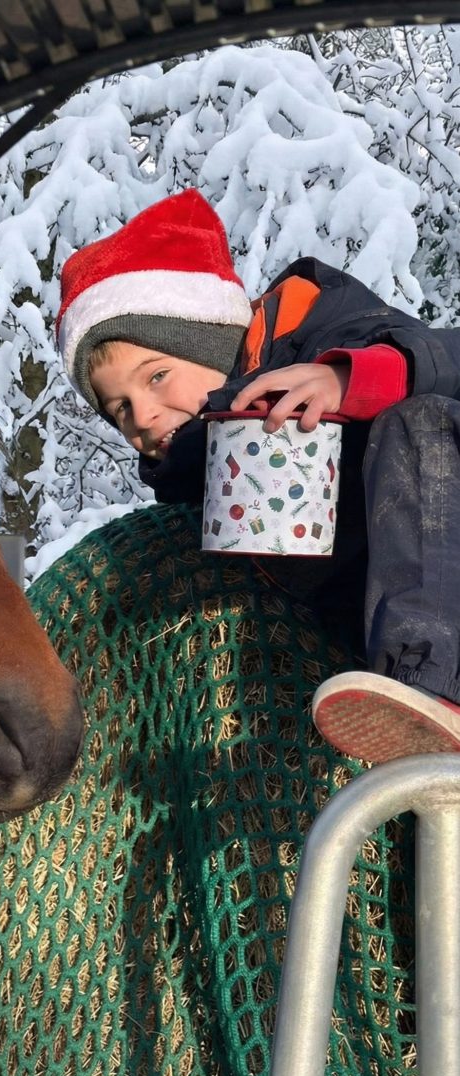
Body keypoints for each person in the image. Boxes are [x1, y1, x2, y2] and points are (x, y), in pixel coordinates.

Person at [55, 187, 460, 763]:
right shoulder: (214, 476)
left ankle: (432, 691)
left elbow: (447, 358)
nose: (141, 416)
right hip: (371, 622)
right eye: (118, 407)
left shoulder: (317, 331)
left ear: (211, 340)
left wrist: (353, 378)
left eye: (157, 376)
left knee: (417, 424)